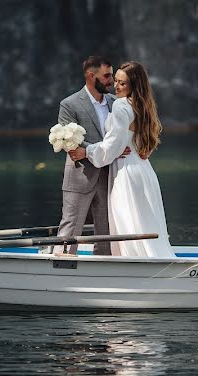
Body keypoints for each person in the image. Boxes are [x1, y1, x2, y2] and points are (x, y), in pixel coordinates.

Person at [68, 61, 175, 258]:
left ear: (134, 85)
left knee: (127, 222)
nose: (116, 86)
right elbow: (141, 143)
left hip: (126, 174)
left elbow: (112, 146)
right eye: (115, 81)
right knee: (144, 221)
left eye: (122, 83)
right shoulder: (144, 106)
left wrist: (86, 152)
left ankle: (132, 264)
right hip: (144, 171)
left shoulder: (121, 106)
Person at [54, 56, 120, 255]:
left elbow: (121, 135)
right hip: (80, 175)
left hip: (110, 176)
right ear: (91, 76)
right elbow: (69, 139)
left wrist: (120, 147)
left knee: (107, 230)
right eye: (107, 76)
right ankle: (60, 266)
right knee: (70, 225)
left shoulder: (116, 103)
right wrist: (106, 150)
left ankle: (105, 270)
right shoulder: (69, 104)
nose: (112, 81)